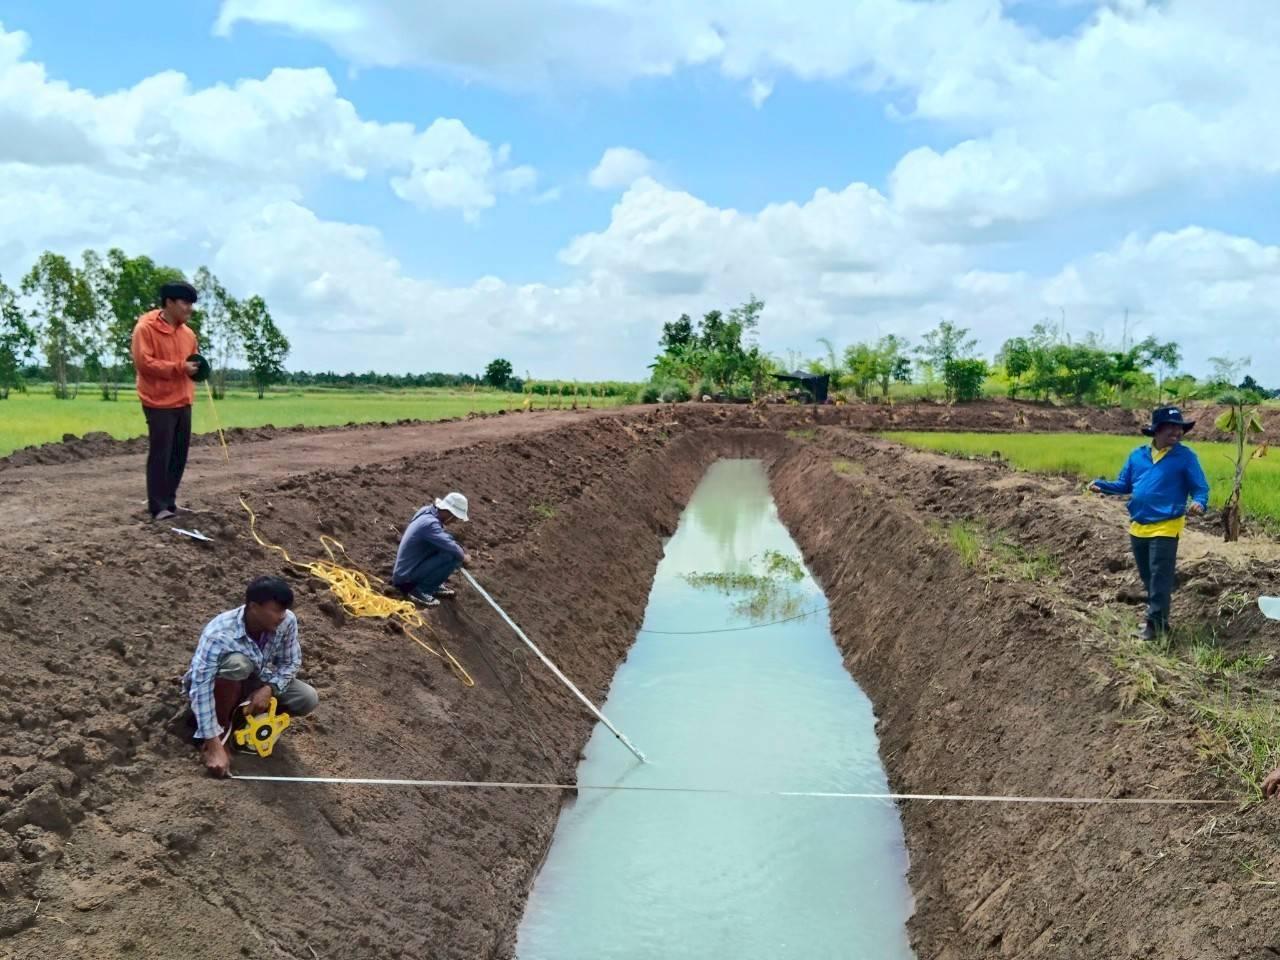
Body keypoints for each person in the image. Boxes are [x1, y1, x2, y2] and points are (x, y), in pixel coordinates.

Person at [1089, 406, 1209, 641]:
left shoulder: (1185, 457)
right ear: (1156, 430)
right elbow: (1124, 485)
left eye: (1179, 428)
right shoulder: (1137, 456)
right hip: (1139, 525)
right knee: (1148, 576)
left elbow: (1200, 487)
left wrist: (1199, 502)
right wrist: (1101, 485)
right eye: (1171, 427)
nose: (1176, 432)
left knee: (1159, 577)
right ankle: (1161, 621)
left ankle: (1154, 627)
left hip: (1167, 524)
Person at [182, 576, 320, 778]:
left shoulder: (286, 621)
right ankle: (219, 735)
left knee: (307, 697)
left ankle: (244, 720)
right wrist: (213, 743)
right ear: (254, 607)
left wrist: (269, 688)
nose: (282, 616)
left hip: (257, 680)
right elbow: (200, 686)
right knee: (238, 664)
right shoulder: (219, 634)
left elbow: (291, 662)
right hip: (217, 685)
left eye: (284, 610)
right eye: (276, 610)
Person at [131, 281, 201, 520]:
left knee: (179, 455)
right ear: (169, 302)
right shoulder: (145, 329)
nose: (189, 308)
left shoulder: (188, 334)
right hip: (158, 401)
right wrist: (180, 367)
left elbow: (193, 362)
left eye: (191, 304)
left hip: (183, 400)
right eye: (185, 302)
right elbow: (145, 363)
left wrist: (197, 369)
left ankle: (170, 502)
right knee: (161, 454)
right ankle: (158, 506)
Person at [392, 492, 471, 607]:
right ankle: (420, 589)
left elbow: (447, 540)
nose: (454, 521)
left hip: (405, 570)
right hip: (405, 579)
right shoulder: (430, 524)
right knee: (453, 555)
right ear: (449, 513)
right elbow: (452, 548)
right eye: (455, 518)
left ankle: (433, 584)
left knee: (450, 542)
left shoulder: (426, 511)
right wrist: (464, 557)